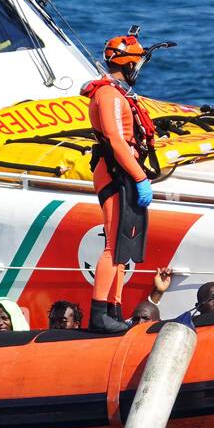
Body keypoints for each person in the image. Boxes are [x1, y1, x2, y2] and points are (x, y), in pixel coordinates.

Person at [81, 32, 157, 332]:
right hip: (115, 172)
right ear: (127, 64)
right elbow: (115, 139)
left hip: (122, 169)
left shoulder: (115, 92)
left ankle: (114, 310)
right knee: (113, 247)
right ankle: (100, 315)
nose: (138, 69)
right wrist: (140, 177)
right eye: (136, 63)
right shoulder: (109, 95)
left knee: (122, 250)